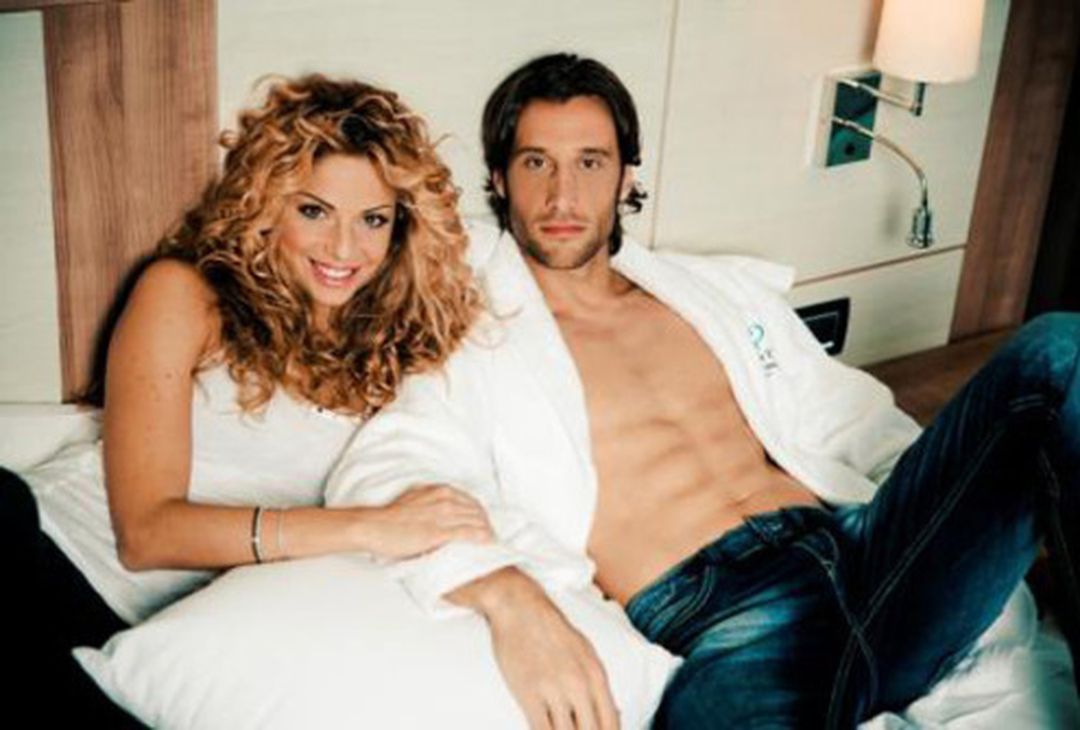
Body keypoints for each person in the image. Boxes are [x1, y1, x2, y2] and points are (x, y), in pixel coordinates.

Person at [325, 53, 1080, 729]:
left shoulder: (711, 297)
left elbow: (853, 421)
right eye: (535, 163)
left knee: (1059, 350)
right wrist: (506, 595)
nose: (562, 194)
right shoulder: (473, 339)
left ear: (626, 177)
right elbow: (388, 468)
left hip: (866, 554)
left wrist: (957, 516)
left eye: (590, 162)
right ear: (498, 179)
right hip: (726, 620)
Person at [2, 74, 492, 725]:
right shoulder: (184, 294)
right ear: (267, 204)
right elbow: (145, 536)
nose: (344, 248)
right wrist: (367, 527)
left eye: (372, 220)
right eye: (314, 211)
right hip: (44, 555)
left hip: (151, 644)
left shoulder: (398, 354)